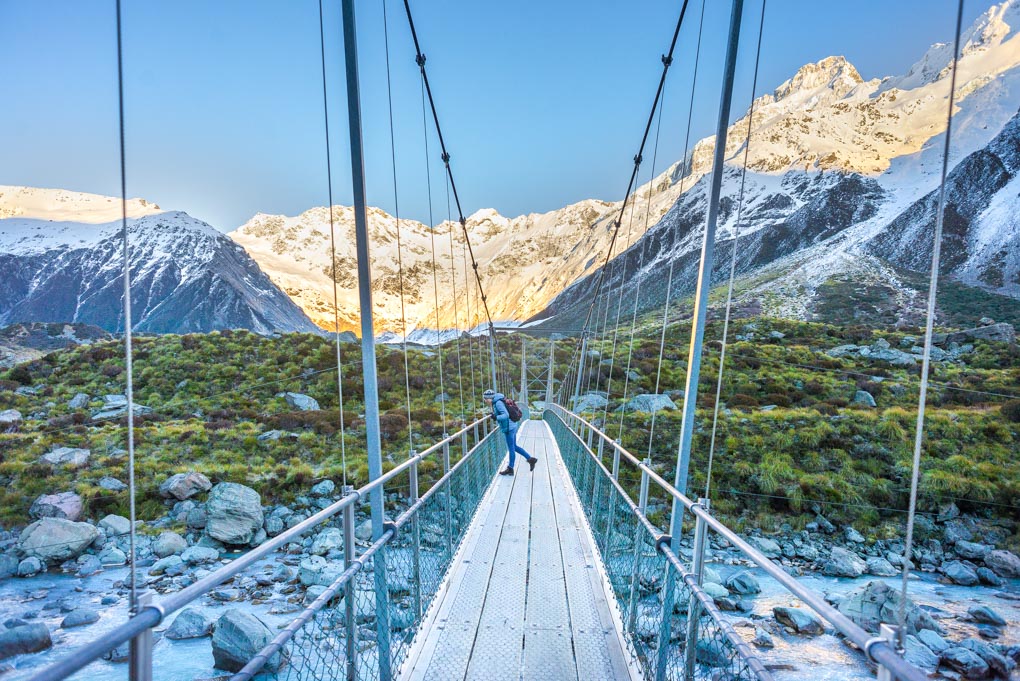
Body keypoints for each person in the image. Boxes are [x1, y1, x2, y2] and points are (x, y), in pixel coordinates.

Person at [483, 388, 537, 476]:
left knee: (511, 448)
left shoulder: (498, 403)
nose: (485, 401)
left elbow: (505, 415)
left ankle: (510, 468)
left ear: (490, 398)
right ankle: (531, 459)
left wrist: (496, 417)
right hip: (512, 425)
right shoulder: (497, 401)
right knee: (514, 446)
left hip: (509, 427)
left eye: (485, 399)